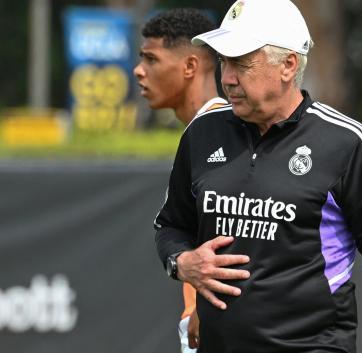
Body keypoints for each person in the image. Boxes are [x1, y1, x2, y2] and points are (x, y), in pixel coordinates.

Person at [153, 0, 362, 352]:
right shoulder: (203, 132)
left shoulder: (346, 142)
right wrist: (182, 263)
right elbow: (170, 226)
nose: (227, 78)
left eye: (241, 63)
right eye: (225, 62)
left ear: (288, 65)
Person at [134, 8, 227, 353]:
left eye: (151, 59)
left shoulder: (226, 134)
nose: (139, 70)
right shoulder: (198, 134)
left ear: (190, 66)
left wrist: (208, 311)